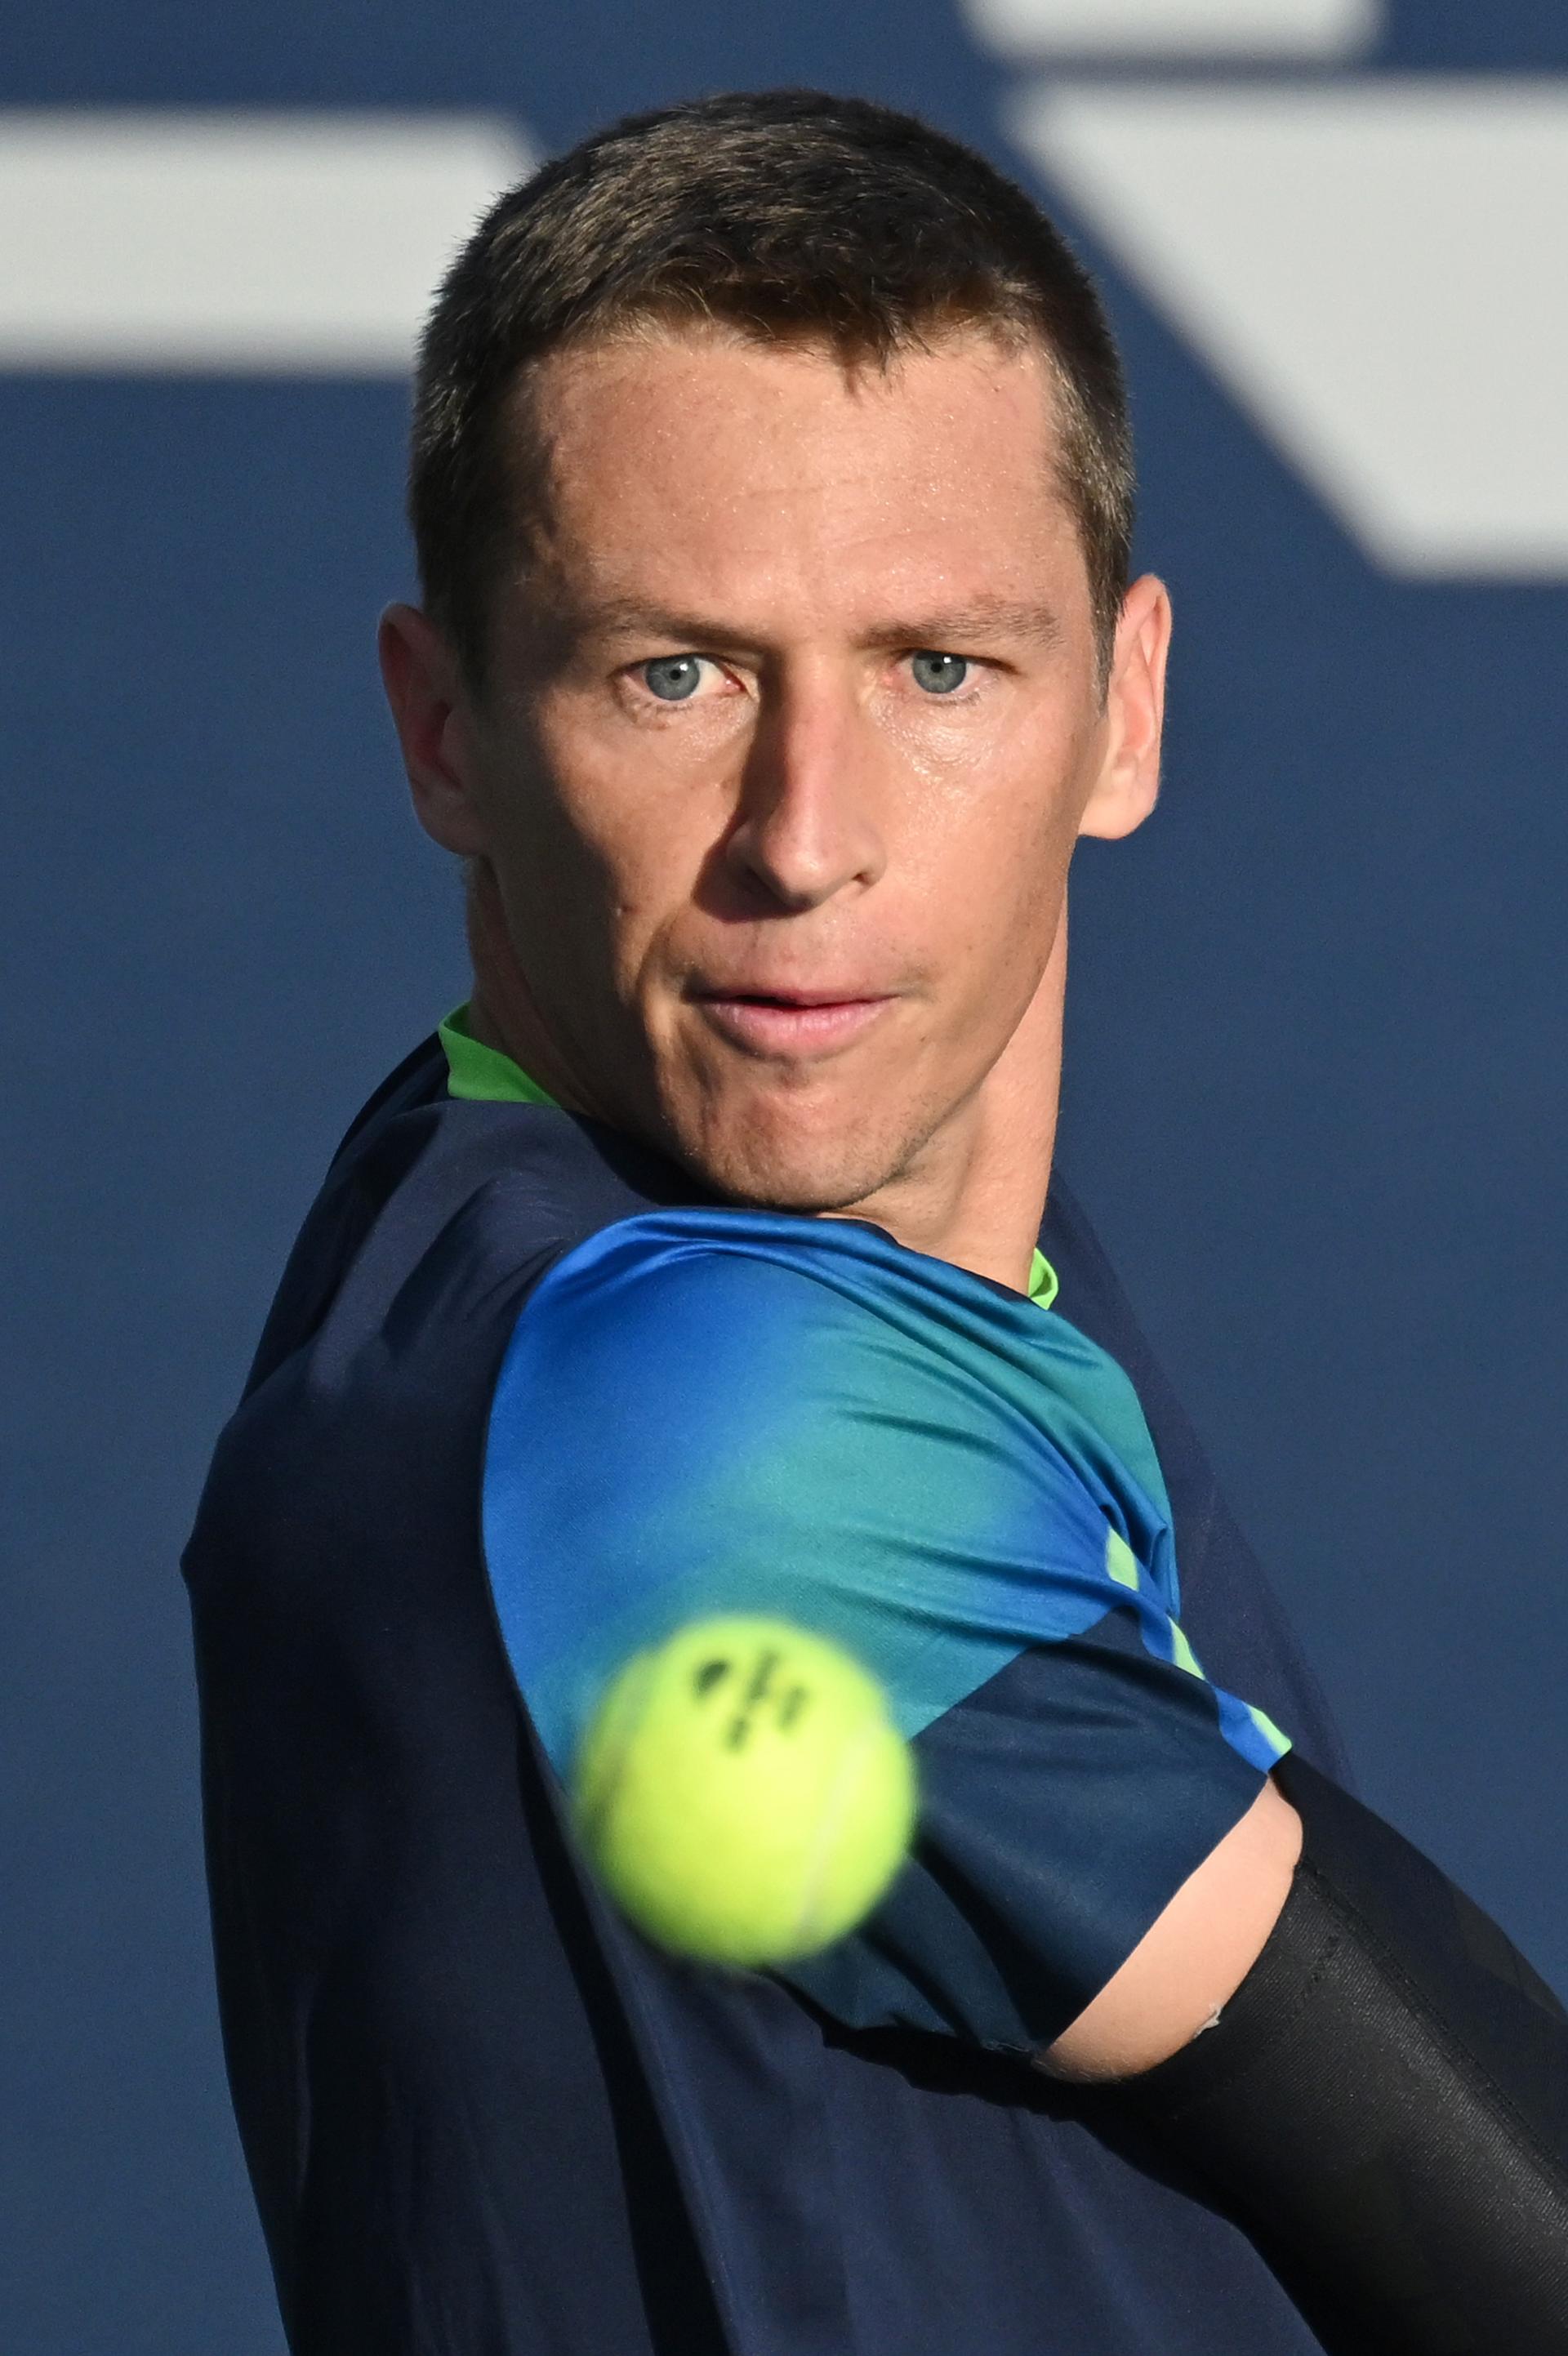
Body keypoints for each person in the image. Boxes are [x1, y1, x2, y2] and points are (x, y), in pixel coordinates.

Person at [183, 90, 1568, 2356]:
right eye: (678, 674)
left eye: (938, 669)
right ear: (443, 732)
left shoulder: (718, 1242)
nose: (804, 837)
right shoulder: (708, 1413)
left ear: (1121, 716)